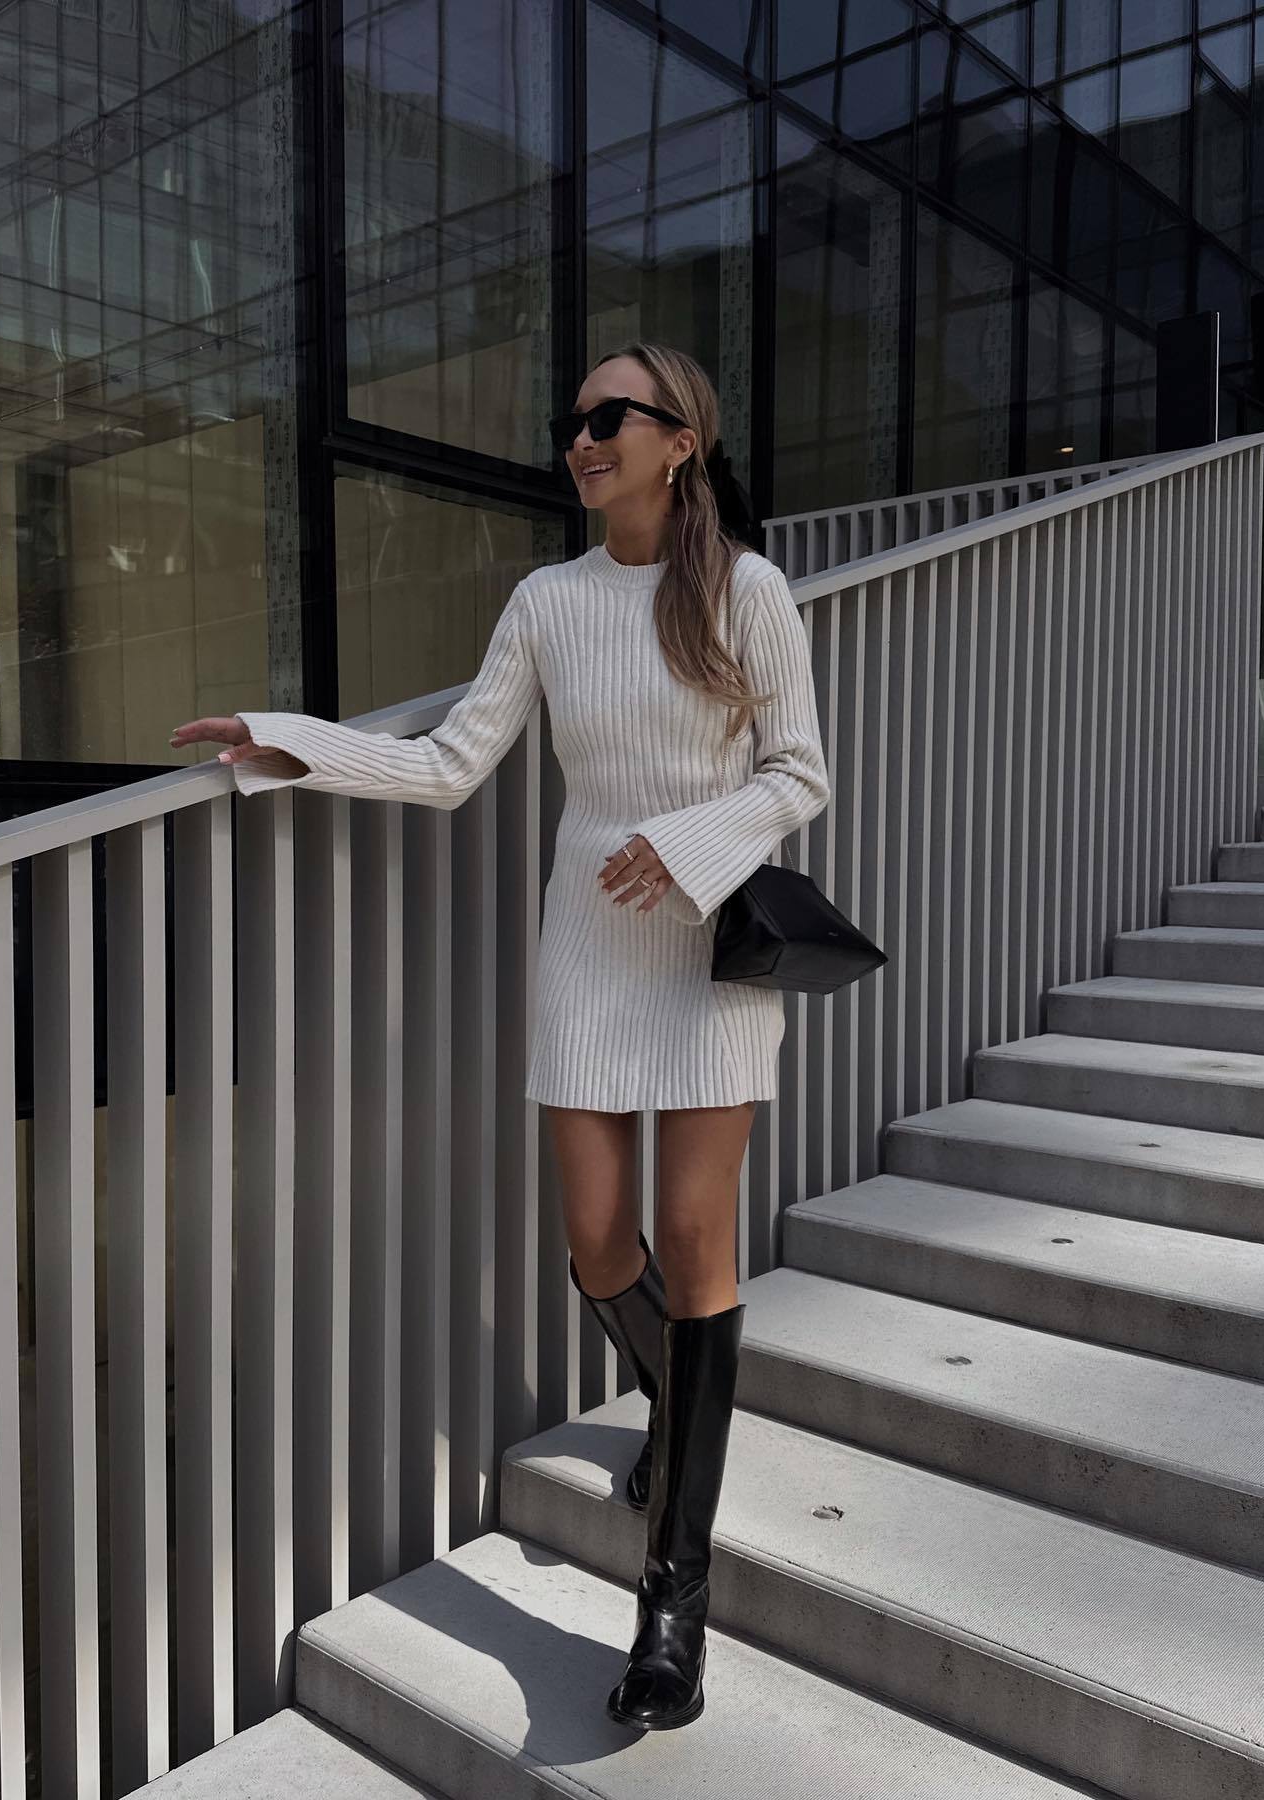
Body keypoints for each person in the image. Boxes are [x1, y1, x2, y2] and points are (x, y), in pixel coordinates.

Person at [168, 341, 831, 1732]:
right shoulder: (549, 600)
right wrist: (295, 742)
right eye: (572, 418)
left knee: (693, 1240)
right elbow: (450, 762)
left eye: (610, 416)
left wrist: (689, 842)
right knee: (597, 1242)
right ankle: (676, 1408)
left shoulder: (749, 592)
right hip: (588, 946)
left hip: (710, 948)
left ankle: (672, 1612)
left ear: (681, 442)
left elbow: (798, 776)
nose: (581, 438)